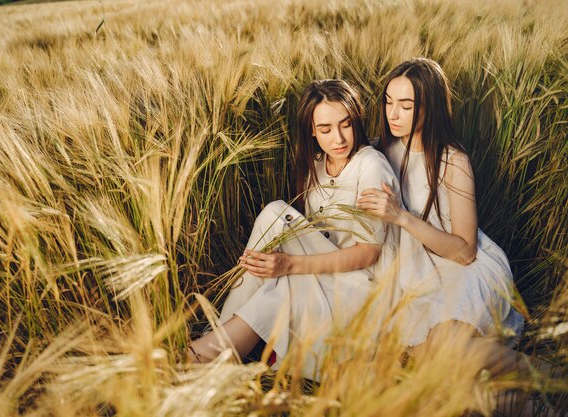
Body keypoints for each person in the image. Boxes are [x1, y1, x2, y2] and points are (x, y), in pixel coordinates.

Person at [188, 79, 400, 382]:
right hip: (330, 268)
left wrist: (290, 265)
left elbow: (369, 253)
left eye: (346, 124)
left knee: (278, 239)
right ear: (311, 130)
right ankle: (215, 351)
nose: (338, 138)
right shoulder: (315, 163)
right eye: (325, 129)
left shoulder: (370, 165)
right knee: (275, 229)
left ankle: (205, 352)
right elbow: (312, 233)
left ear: (356, 120)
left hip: (362, 285)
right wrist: (279, 263)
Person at [357, 57, 525, 376]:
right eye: (388, 102)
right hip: (413, 272)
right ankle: (535, 400)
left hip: (464, 270)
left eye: (406, 105)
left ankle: (552, 383)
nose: (392, 113)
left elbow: (465, 251)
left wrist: (402, 216)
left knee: (445, 345)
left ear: (429, 108)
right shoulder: (377, 152)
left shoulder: (452, 161)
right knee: (431, 362)